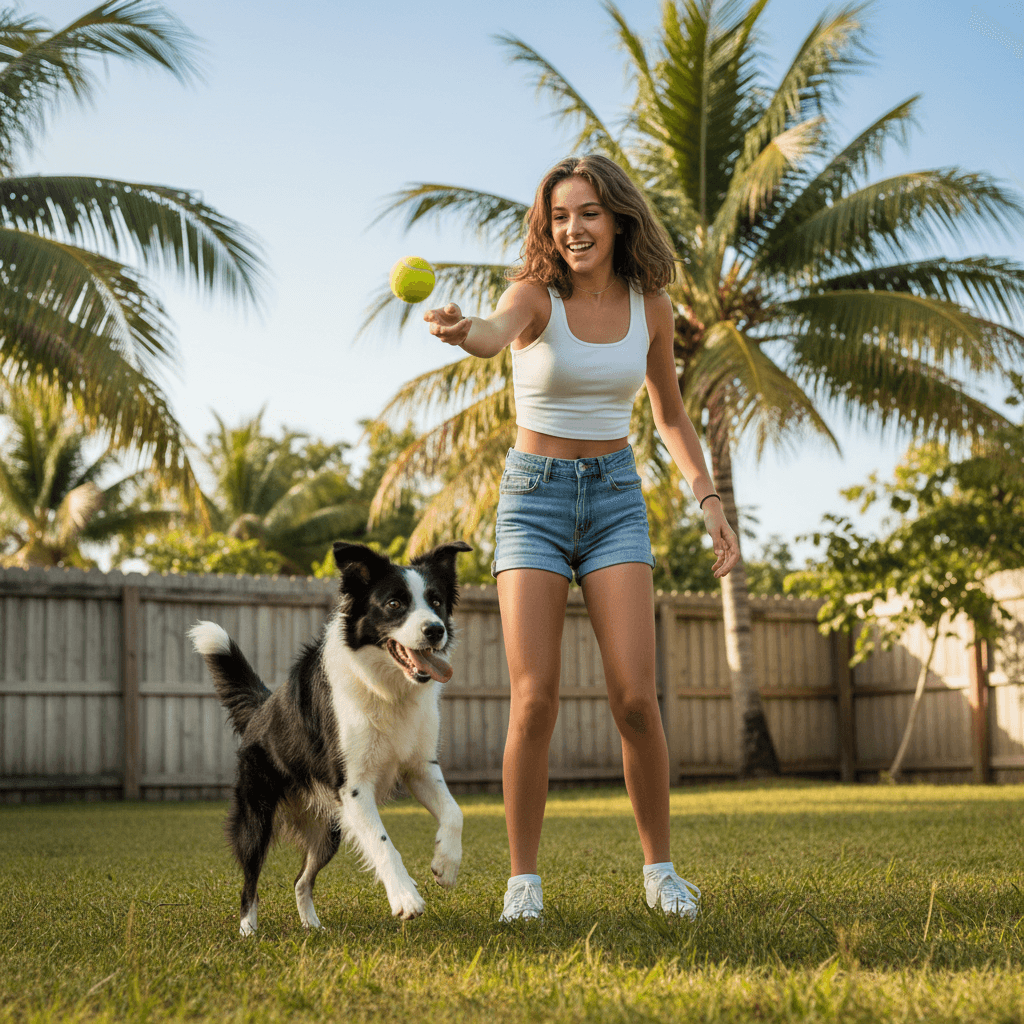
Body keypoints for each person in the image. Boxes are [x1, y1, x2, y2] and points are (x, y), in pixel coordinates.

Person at [423, 154, 740, 922]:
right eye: (560, 216)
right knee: (534, 699)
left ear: (619, 218)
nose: (573, 228)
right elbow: (495, 334)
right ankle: (522, 885)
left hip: (615, 501)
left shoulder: (652, 307)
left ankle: (661, 873)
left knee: (634, 698)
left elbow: (670, 413)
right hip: (532, 501)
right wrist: (466, 331)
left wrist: (709, 498)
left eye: (588, 213)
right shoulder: (535, 295)